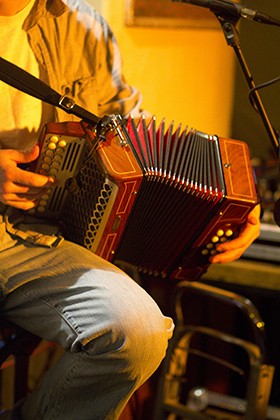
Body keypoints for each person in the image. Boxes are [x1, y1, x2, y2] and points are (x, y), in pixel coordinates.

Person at [0, 0, 260, 419]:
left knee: (139, 332)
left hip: (39, 238)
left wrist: (232, 194)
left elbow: (132, 132)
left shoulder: (81, 26)